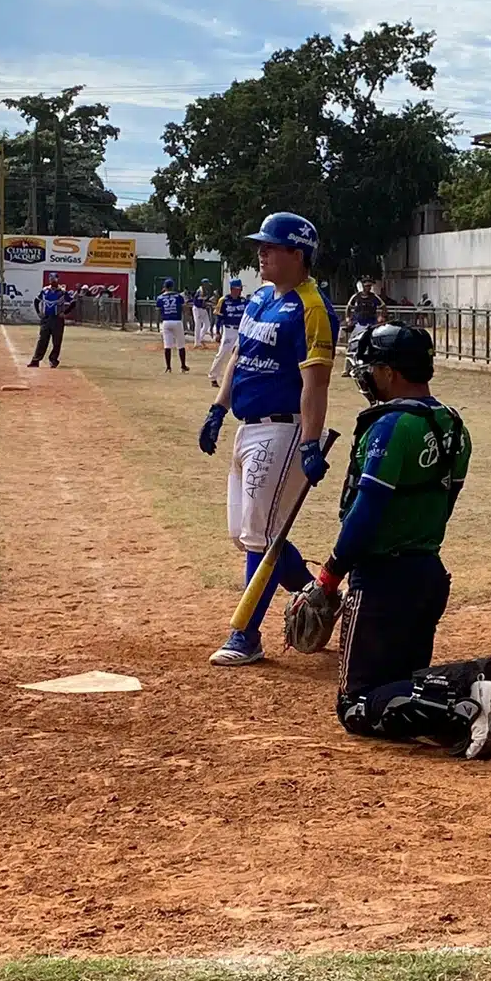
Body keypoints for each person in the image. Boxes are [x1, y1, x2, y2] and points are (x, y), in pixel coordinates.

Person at [285, 323, 491, 758]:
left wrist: (329, 576)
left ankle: (471, 702)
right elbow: (446, 503)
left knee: (358, 706)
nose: (367, 376)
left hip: (383, 580)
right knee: (402, 681)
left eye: (372, 368)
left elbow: (365, 513)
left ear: (391, 373)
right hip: (427, 572)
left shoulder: (391, 426)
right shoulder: (452, 425)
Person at [199, 212, 339, 667]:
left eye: (271, 247)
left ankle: (245, 635)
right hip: (248, 426)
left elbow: (316, 382)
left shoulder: (312, 308)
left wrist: (310, 442)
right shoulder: (260, 298)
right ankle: (312, 593)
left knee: (261, 537)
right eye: (261, 245)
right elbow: (240, 355)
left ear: (297, 254)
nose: (261, 253)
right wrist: (218, 409)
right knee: (246, 536)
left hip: (283, 430)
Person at [208, 276, 248, 387]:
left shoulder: (244, 301)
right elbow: (219, 317)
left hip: (240, 330)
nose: (240, 291)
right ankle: (213, 376)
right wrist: (218, 332)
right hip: (229, 329)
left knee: (241, 355)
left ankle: (238, 378)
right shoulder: (224, 300)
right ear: (232, 289)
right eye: (238, 288)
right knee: (222, 353)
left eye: (240, 288)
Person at [29, 274, 74, 368]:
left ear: (57, 280)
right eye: (51, 279)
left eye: (54, 279)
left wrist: (65, 313)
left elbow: (73, 302)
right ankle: (36, 360)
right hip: (46, 318)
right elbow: (36, 301)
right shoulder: (45, 290)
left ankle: (53, 360)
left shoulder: (62, 292)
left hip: (57, 319)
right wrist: (39, 312)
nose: (52, 281)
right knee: (42, 340)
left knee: (56, 341)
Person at [344, 277, 384, 376]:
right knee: (351, 345)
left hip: (371, 325)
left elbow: (384, 307)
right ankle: (347, 369)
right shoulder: (356, 297)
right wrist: (348, 319)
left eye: (370, 286)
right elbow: (348, 308)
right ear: (362, 286)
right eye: (366, 286)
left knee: (373, 346)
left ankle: (373, 369)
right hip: (359, 325)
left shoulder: (374, 297)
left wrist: (381, 317)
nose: (368, 288)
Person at [155, 278, 188, 372]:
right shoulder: (178, 296)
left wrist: (159, 322)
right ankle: (183, 366)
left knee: (167, 345)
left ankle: (168, 367)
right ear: (173, 286)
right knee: (181, 345)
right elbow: (184, 308)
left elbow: (158, 311)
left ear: (165, 287)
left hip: (166, 321)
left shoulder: (160, 297)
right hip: (177, 321)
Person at [190, 280, 214, 347]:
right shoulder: (199, 291)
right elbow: (195, 301)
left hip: (203, 309)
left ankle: (200, 339)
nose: (208, 285)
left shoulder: (206, 291)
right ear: (203, 284)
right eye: (207, 284)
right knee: (198, 325)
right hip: (197, 309)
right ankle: (196, 343)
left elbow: (204, 300)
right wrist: (204, 304)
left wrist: (207, 303)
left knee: (207, 324)